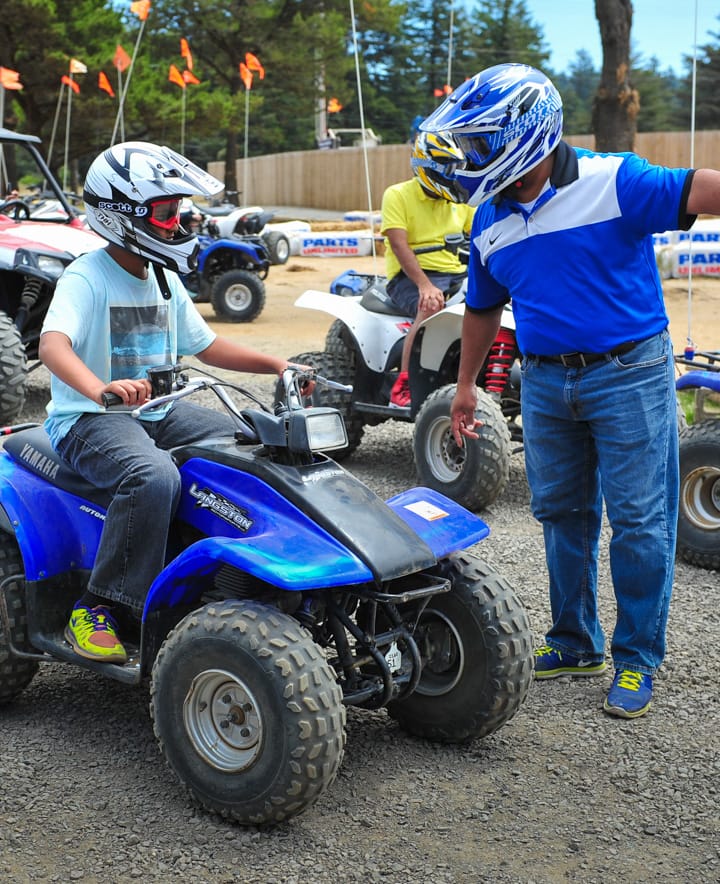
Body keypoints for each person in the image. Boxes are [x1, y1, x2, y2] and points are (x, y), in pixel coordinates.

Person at [421, 62, 720, 719]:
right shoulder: (488, 218)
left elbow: (700, 188)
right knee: (562, 514)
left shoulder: (615, 180)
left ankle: (637, 660)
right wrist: (467, 386)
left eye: (480, 145)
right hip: (546, 381)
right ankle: (574, 642)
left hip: (630, 373)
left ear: (524, 134)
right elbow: (481, 308)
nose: (471, 159)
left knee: (641, 522)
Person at [38, 141, 310, 665]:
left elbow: (206, 345)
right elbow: (53, 345)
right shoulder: (87, 276)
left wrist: (278, 365)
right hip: (90, 418)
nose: (179, 221)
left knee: (246, 446)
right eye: (167, 211)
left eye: (180, 210)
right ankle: (101, 608)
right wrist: (102, 389)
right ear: (122, 214)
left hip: (158, 411)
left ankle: (233, 575)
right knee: (153, 476)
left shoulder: (163, 277)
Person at [381, 131, 475, 407]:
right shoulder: (397, 195)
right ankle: (407, 381)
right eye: (446, 167)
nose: (452, 174)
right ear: (426, 167)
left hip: (458, 273)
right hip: (410, 278)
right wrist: (424, 285)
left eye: (455, 166)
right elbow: (399, 246)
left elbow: (478, 235)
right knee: (432, 307)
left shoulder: (460, 199)